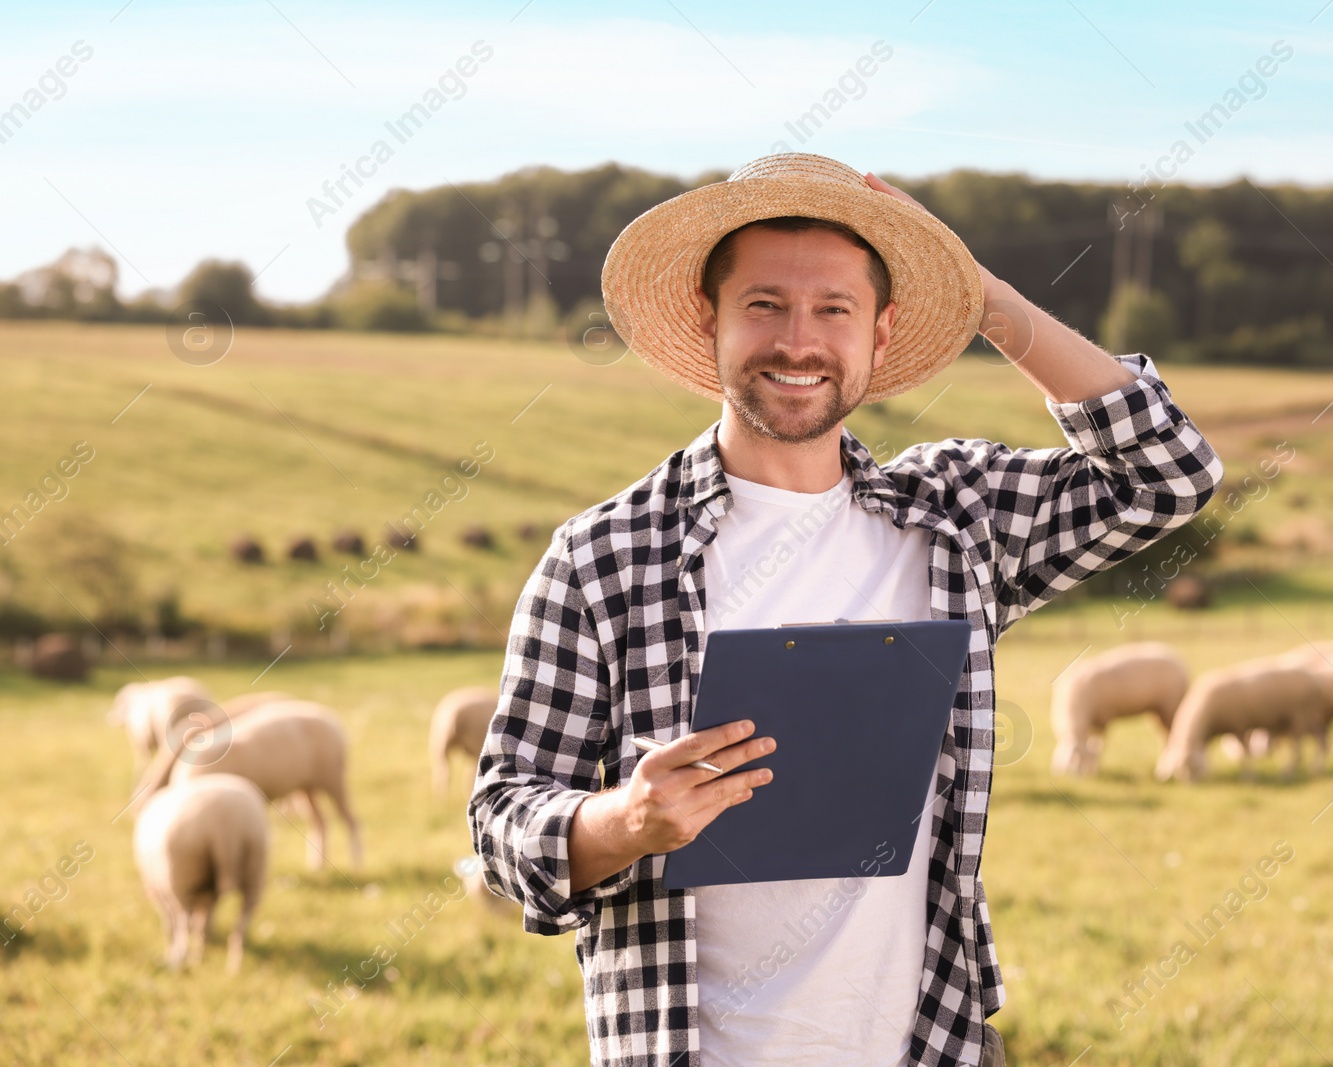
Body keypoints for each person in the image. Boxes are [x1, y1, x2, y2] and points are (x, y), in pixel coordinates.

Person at [469, 153, 1223, 1067]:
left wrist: (983, 299)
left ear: (880, 329)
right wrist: (627, 819)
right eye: (764, 306)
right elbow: (504, 826)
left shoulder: (956, 520)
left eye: (835, 309)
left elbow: (1169, 475)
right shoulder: (602, 558)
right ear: (710, 321)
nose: (799, 341)